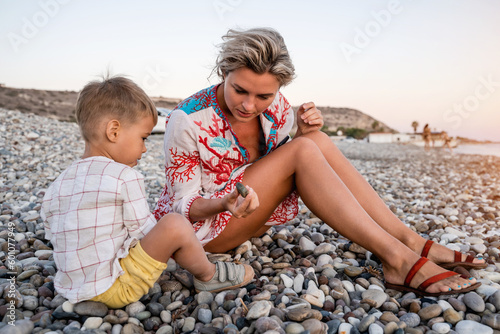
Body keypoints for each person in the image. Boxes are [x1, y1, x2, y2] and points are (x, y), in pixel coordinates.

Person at [154, 28, 485, 296]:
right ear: (223, 72)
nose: (249, 105)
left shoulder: (279, 106)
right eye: (240, 90)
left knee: (316, 140)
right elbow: (183, 207)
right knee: (304, 150)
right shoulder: (188, 119)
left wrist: (301, 133)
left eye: (264, 96)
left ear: (279, 88)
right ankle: (398, 259)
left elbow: (280, 170)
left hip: (253, 213)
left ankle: (410, 240)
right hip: (206, 231)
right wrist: (224, 202)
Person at [41, 76, 254, 308]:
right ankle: (209, 275)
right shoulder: (124, 177)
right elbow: (145, 230)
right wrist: (177, 244)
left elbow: (53, 229)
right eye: (143, 138)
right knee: (174, 224)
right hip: (115, 287)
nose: (143, 148)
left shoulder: (59, 182)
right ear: (113, 131)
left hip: (70, 287)